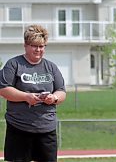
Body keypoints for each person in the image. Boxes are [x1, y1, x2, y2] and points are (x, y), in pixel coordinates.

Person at [0, 24, 66, 162]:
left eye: (41, 46)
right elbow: (4, 89)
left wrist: (53, 98)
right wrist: (26, 97)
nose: (38, 50)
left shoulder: (51, 67)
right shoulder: (14, 64)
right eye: (34, 46)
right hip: (19, 128)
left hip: (46, 129)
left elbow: (61, 92)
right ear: (25, 45)